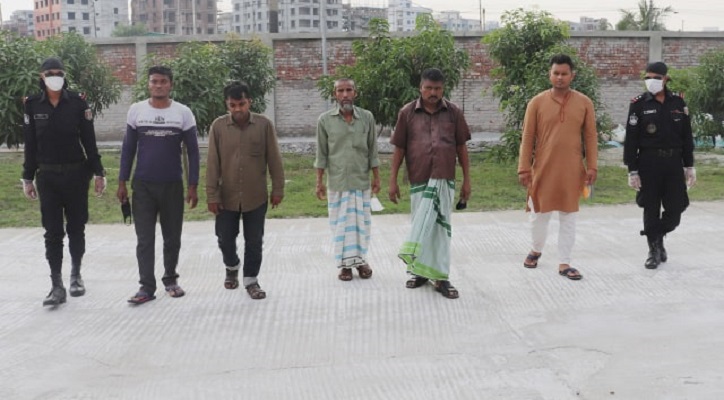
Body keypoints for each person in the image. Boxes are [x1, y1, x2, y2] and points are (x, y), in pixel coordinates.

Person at [22, 57, 107, 307]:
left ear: (64, 75)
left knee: (76, 228)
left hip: (76, 175)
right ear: (41, 76)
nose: (55, 77)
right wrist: (27, 177)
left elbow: (89, 141)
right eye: (50, 73)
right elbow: (30, 145)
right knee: (52, 232)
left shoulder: (78, 103)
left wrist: (99, 173)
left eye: (59, 73)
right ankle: (56, 285)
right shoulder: (32, 105)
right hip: (47, 177)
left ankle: (76, 275)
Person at [117, 66, 200, 305]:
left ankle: (171, 280)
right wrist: (122, 182)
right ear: (149, 84)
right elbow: (128, 149)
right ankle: (146, 286)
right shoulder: (136, 111)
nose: (158, 85)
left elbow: (193, 153)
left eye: (163, 81)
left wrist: (192, 185)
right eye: (154, 81)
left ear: (170, 84)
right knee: (144, 239)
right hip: (142, 186)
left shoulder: (183, 113)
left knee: (172, 237)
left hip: (172, 184)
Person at [388, 68, 471, 299]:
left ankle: (441, 277)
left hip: (444, 179)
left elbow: (461, 147)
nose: (433, 93)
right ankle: (421, 273)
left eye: (437, 89)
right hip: (419, 179)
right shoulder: (407, 113)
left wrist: (467, 180)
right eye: (428, 88)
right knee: (421, 226)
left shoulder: (454, 112)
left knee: (441, 231)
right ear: (420, 88)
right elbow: (399, 149)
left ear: (443, 89)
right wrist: (392, 180)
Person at [518, 54, 599, 281]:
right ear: (550, 74)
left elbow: (591, 137)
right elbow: (527, 137)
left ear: (572, 75)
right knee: (538, 214)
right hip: (542, 168)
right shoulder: (536, 102)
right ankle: (536, 249)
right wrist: (524, 168)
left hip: (572, 170)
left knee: (568, 216)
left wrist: (592, 166)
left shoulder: (584, 103)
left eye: (564, 74)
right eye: (556, 73)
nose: (560, 77)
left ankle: (565, 262)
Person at [206, 81, 285, 300]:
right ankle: (232, 266)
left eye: (241, 104)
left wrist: (278, 189)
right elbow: (212, 163)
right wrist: (212, 195)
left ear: (249, 101)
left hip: (256, 195)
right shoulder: (218, 127)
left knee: (254, 240)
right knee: (224, 238)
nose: (238, 109)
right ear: (227, 104)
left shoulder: (264, 125)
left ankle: (251, 280)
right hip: (226, 197)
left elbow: (274, 159)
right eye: (232, 105)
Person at [623, 61, 695, 269]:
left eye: (656, 78)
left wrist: (689, 166)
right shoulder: (639, 104)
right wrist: (632, 170)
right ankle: (654, 250)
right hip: (649, 163)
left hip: (673, 163)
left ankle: (657, 233)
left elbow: (686, 136)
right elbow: (631, 140)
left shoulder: (678, 102)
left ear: (666, 79)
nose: (651, 81)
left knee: (677, 208)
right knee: (650, 207)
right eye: (647, 78)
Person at [315, 78, 380, 281]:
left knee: (362, 226)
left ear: (355, 93)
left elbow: (373, 150)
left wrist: (377, 177)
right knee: (340, 226)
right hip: (337, 183)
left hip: (361, 181)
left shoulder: (367, 118)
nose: (345, 95)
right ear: (335, 94)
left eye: (349, 90)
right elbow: (321, 154)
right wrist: (318, 182)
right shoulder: (325, 120)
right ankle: (344, 266)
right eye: (340, 91)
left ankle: (361, 262)